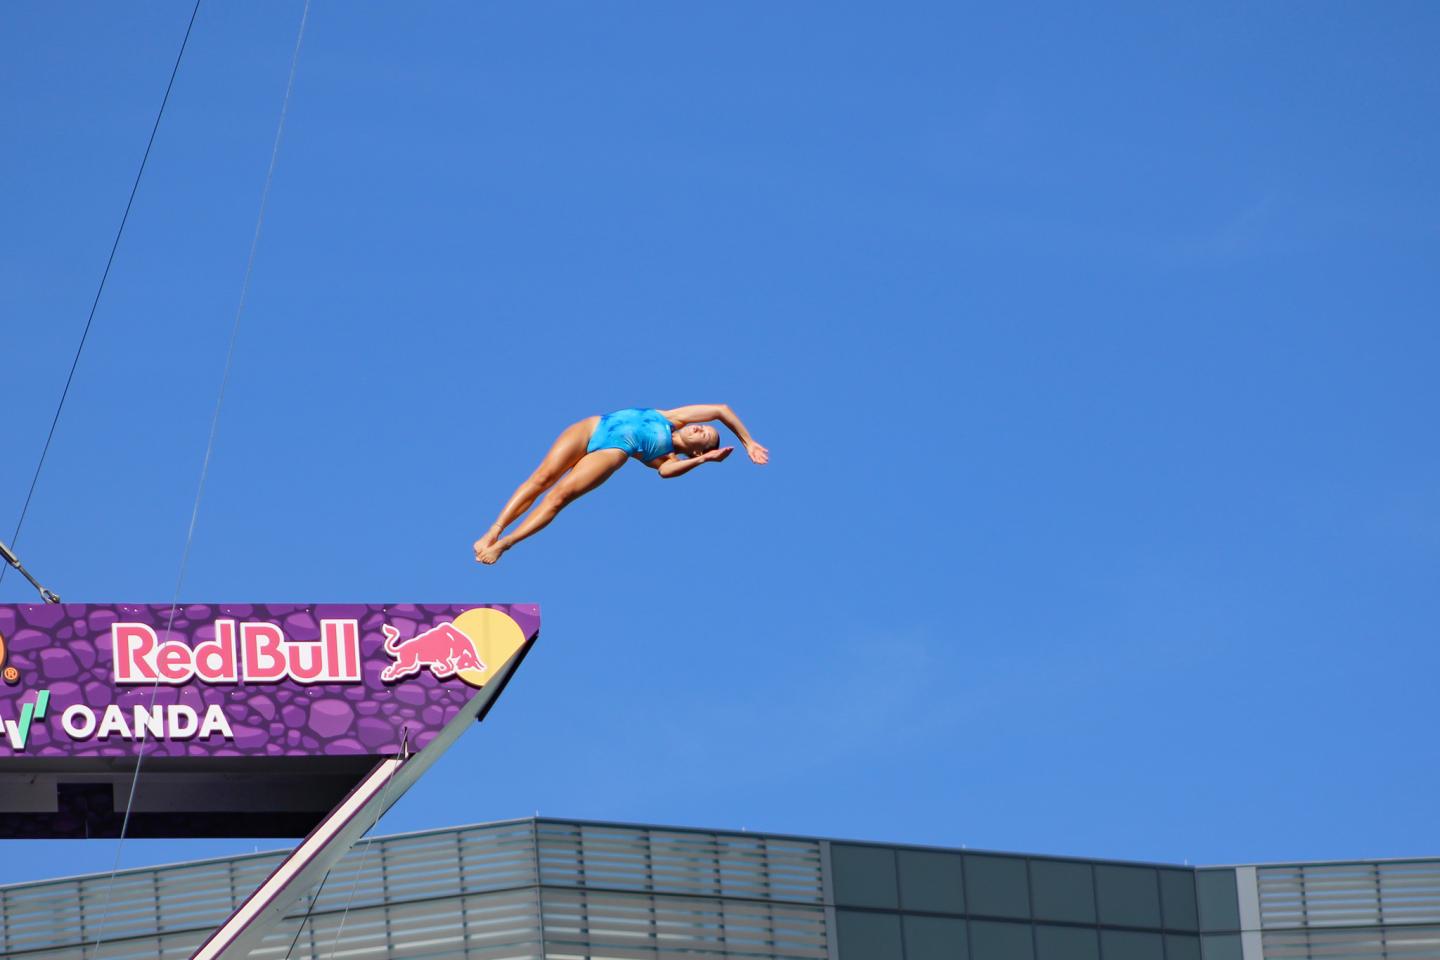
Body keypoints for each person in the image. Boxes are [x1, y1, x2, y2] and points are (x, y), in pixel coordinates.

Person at [474, 405, 768, 564]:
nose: (702, 428)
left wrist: (703, 462)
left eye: (705, 436)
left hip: (612, 451)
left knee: (557, 497)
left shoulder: (665, 456)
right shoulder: (671, 417)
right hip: (594, 426)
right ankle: (494, 530)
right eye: (704, 426)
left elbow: (666, 473)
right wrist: (748, 442)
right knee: (541, 478)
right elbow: (722, 410)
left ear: (696, 451)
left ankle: (505, 544)